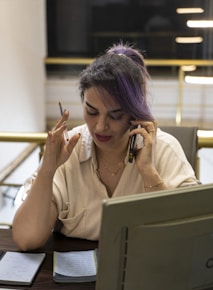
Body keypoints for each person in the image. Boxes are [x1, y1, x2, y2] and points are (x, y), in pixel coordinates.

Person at [12, 42, 198, 251]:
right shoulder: (69, 149)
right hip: (73, 278)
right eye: (91, 112)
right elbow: (26, 239)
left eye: (116, 115)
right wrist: (48, 169)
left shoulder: (165, 149)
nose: (100, 126)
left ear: (135, 113)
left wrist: (148, 172)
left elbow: (187, 241)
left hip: (145, 273)